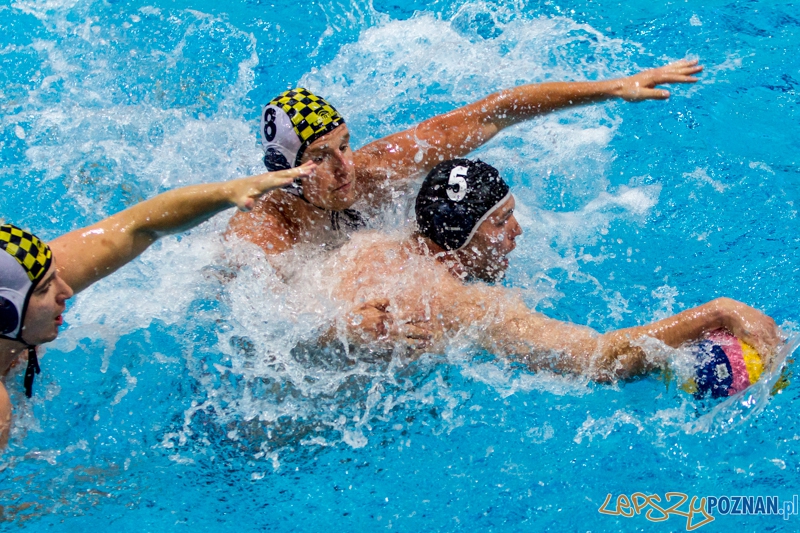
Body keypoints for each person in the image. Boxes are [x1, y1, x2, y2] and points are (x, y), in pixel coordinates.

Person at [325, 159, 781, 381]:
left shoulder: (370, 244)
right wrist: (713, 314)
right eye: (499, 223)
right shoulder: (462, 302)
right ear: (458, 240)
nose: (517, 233)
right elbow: (601, 361)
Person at [228, 60, 704, 258]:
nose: (344, 167)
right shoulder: (264, 232)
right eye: (320, 157)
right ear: (285, 172)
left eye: (345, 145)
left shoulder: (375, 168)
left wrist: (611, 88)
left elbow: (492, 114)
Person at [0, 162, 316, 448]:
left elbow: (141, 224)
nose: (66, 289)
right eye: (46, 289)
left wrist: (228, 192)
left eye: (57, 275)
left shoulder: (23, 279)